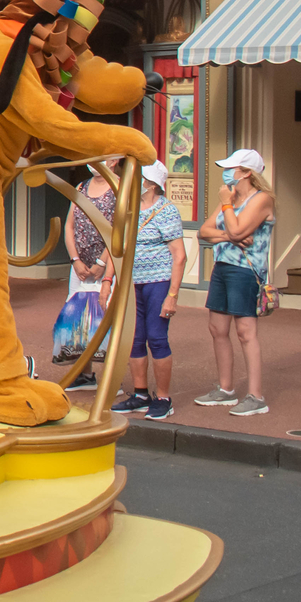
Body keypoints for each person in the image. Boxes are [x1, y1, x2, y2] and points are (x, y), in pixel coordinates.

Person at [194, 149, 274, 415]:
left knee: (245, 332)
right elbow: (204, 232)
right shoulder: (230, 196)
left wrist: (228, 209)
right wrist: (229, 236)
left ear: (247, 173)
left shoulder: (262, 199)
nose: (227, 173)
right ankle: (226, 390)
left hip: (246, 271)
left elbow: (240, 228)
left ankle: (256, 396)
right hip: (222, 267)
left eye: (232, 169)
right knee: (217, 328)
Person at [113, 161, 188, 420]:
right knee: (134, 339)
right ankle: (141, 394)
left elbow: (179, 256)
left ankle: (164, 398)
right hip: (132, 284)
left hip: (157, 283)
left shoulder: (166, 211)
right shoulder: (128, 209)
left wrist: (172, 296)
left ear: (152, 183)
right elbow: (117, 247)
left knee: (156, 338)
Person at [54, 160, 123, 389]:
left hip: (108, 263)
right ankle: (84, 373)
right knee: (79, 317)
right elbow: (70, 226)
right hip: (80, 266)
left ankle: (113, 380)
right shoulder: (81, 187)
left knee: (107, 317)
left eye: (102, 158)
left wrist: (102, 262)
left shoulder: (120, 189)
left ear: (113, 161)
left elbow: (118, 229)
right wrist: (74, 259)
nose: (96, 162)